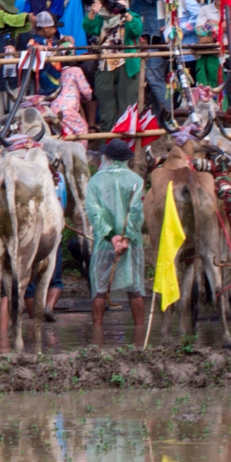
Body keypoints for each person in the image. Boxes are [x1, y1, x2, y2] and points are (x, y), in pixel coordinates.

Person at [83, 136, 148, 345]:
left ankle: (97, 337)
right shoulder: (136, 181)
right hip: (132, 243)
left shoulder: (95, 181)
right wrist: (126, 237)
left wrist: (111, 237)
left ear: (107, 157)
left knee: (100, 288)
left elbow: (94, 213)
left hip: (104, 243)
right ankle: (139, 336)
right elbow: (137, 212)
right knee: (135, 287)